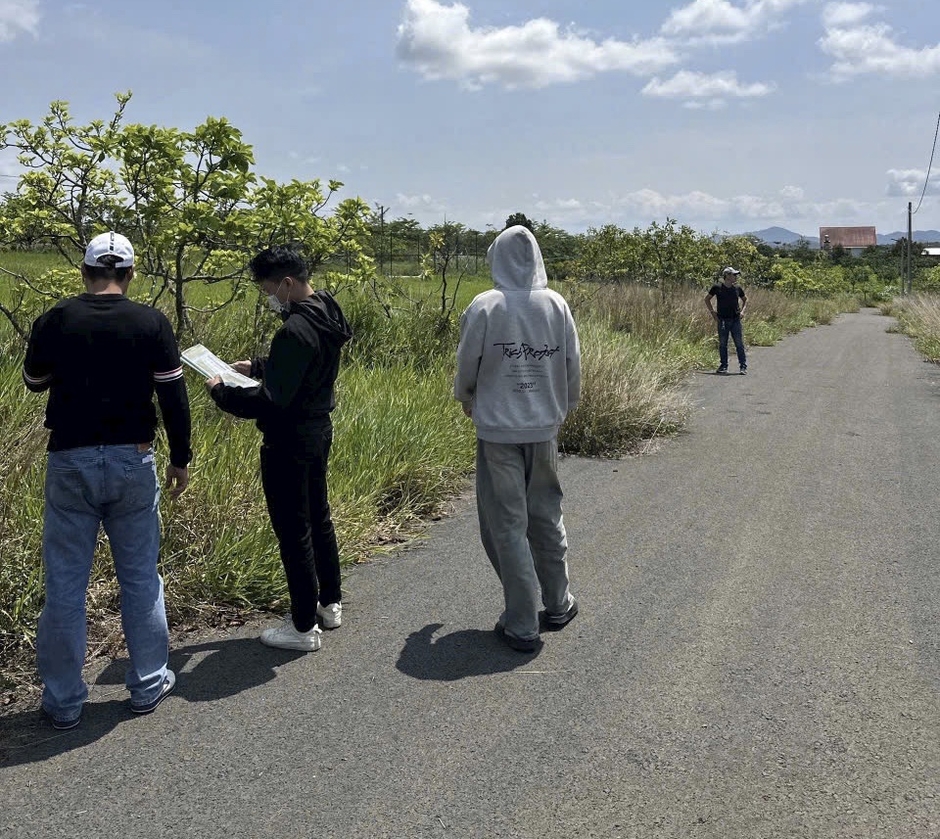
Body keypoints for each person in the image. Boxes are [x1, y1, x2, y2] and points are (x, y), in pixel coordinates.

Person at [23, 231, 191, 729]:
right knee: (140, 578)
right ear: (130, 274)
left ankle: (63, 701)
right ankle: (146, 684)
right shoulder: (151, 322)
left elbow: (34, 381)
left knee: (66, 583)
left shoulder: (56, 319)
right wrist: (181, 458)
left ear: (85, 272)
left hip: (70, 460)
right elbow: (173, 397)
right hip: (133, 459)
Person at [206, 245, 352, 652]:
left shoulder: (293, 329)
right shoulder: (326, 310)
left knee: (294, 530)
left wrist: (222, 393)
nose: (268, 297)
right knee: (318, 518)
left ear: (286, 284)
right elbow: (299, 369)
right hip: (318, 429)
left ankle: (303, 627)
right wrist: (258, 366)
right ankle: (329, 603)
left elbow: (271, 401)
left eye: (269, 289)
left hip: (288, 439)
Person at [454, 225, 581, 653]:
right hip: (544, 427)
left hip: (498, 432)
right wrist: (562, 409)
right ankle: (559, 602)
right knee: (546, 513)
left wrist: (465, 396)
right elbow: (571, 364)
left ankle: (522, 623)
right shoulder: (556, 304)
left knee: (506, 524)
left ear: (497, 259)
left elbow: (467, 361)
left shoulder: (486, 306)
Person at [706, 266, 748, 375]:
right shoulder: (717, 287)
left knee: (739, 343)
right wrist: (712, 312)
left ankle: (743, 366)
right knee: (723, 344)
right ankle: (723, 366)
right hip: (722, 319)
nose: (736, 277)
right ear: (727, 275)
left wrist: (743, 311)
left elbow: (745, 300)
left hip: (735, 319)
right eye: (734, 275)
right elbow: (707, 299)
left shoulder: (737, 288)